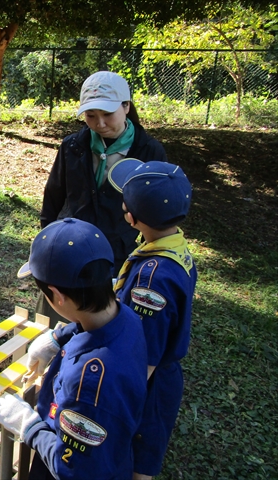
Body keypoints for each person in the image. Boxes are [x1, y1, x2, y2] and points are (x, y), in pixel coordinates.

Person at [0, 218, 148, 479]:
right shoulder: (128, 317)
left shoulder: (90, 382)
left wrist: (28, 425)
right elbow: (93, 325)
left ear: (57, 295)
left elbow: (71, 467)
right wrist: (59, 337)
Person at [37, 71, 168, 328]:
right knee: (57, 322)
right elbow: (54, 195)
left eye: (108, 114)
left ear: (126, 106)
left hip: (116, 253)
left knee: (103, 323)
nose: (99, 123)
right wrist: (47, 239)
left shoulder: (149, 152)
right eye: (91, 116)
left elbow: (155, 210)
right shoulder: (72, 146)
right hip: (68, 248)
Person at [108, 159, 197, 480]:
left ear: (130, 217)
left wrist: (116, 399)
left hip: (147, 384)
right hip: (158, 376)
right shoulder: (175, 248)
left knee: (136, 460)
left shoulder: (152, 280)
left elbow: (144, 353)